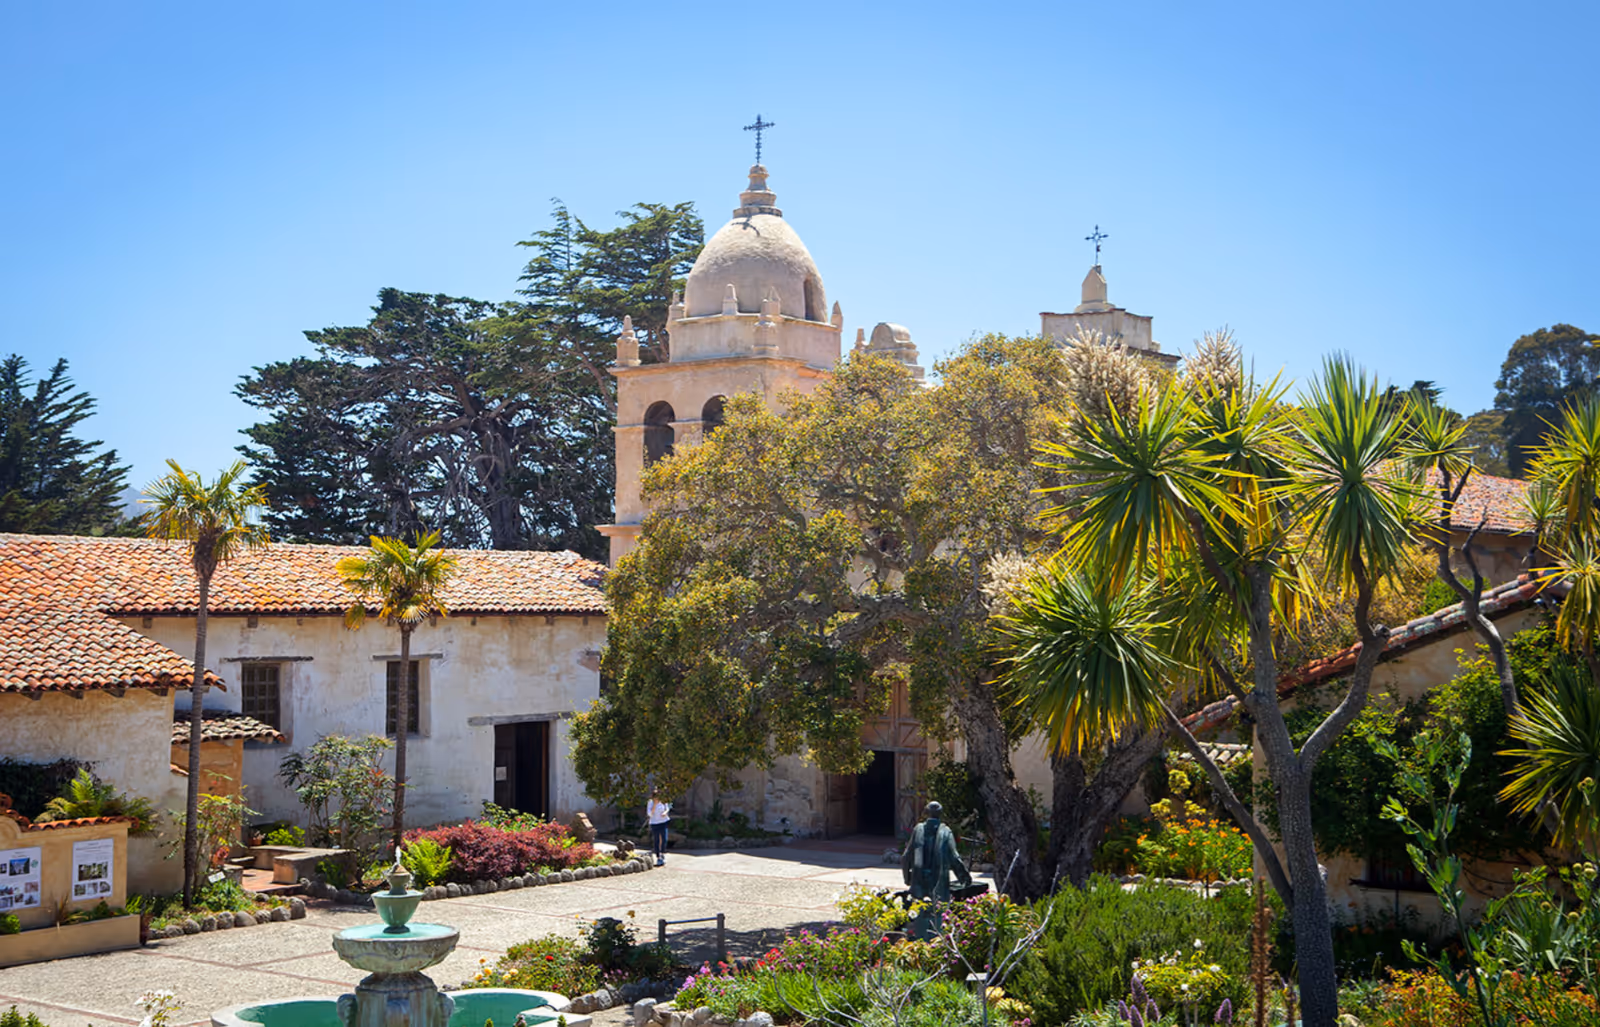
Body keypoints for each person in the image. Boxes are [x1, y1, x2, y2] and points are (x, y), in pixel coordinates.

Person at [901, 801, 971, 936]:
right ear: (941, 813)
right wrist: (964, 878)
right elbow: (954, 858)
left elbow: (906, 857)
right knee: (938, 915)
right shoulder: (946, 832)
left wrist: (908, 878)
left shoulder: (918, 829)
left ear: (927, 812)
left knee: (919, 914)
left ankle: (921, 944)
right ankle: (936, 944)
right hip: (938, 881)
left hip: (919, 882)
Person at [646, 789, 672, 866]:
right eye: (655, 797)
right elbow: (649, 814)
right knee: (656, 839)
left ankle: (662, 852)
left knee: (664, 838)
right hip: (654, 823)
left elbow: (667, 808)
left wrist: (665, 812)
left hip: (663, 822)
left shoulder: (663, 801)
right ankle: (658, 857)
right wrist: (654, 805)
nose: (657, 799)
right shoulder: (650, 802)